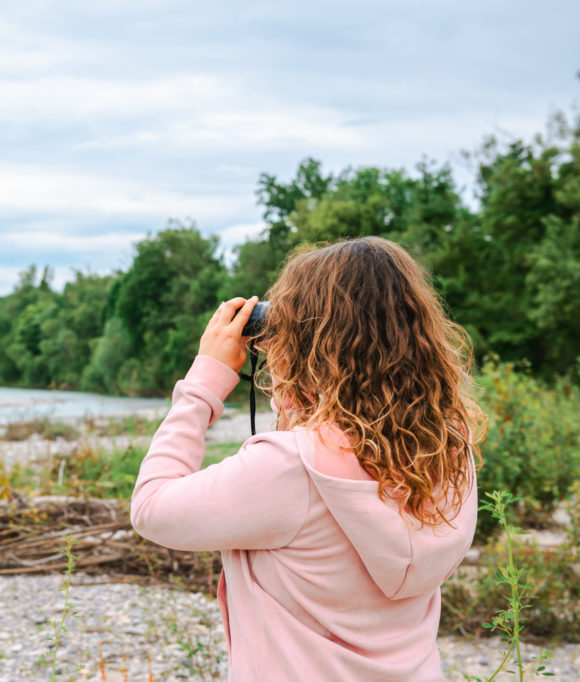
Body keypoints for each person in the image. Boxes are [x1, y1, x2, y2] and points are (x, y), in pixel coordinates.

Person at [130, 236, 482, 681]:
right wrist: (300, 395)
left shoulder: (290, 468)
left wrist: (204, 382)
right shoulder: (448, 451)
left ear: (305, 345)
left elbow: (151, 509)